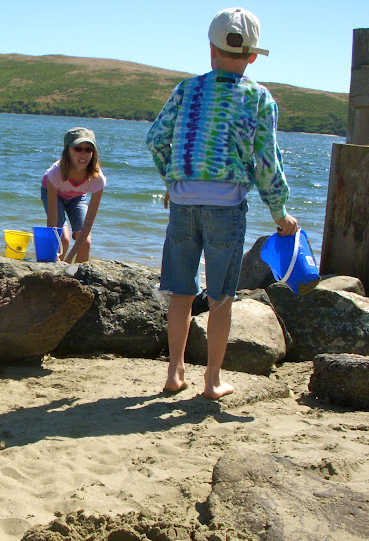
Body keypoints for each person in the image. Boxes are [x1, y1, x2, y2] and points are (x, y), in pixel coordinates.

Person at [145, 7, 298, 399]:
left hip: (182, 202)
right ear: (251, 56)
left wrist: (173, 178)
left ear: (210, 49)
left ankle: (174, 373)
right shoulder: (260, 98)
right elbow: (267, 162)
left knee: (180, 292)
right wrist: (279, 213)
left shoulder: (187, 88)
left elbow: (156, 140)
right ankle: (212, 380)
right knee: (221, 296)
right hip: (226, 210)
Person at [41, 127, 107, 263]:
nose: (83, 154)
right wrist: (53, 249)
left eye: (88, 149)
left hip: (77, 197)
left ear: (93, 152)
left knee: (85, 242)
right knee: (62, 239)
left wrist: (71, 257)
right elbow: (53, 219)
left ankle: (78, 278)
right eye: (78, 149)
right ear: (68, 151)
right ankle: (53, 272)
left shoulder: (98, 179)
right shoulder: (55, 173)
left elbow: (88, 222)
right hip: (54, 193)